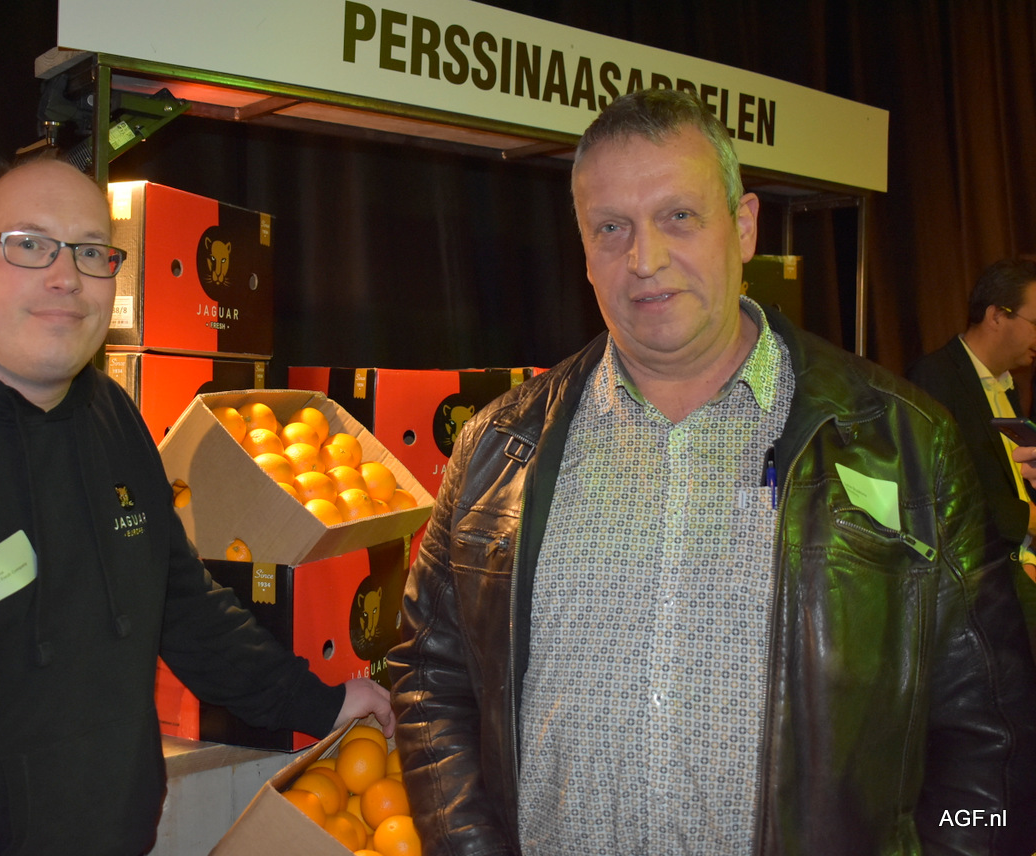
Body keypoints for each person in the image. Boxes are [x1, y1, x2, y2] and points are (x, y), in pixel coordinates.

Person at [387, 89, 1036, 855]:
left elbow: (991, 735)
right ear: (584, 250)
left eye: (679, 216)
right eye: (611, 228)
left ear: (745, 226)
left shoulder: (903, 443)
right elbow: (430, 678)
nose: (645, 259)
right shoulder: (500, 448)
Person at [0, 154, 392, 855]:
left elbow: (181, 603)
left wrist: (322, 702)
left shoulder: (111, 417)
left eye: (92, 252)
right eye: (29, 244)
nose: (66, 276)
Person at [906, 257, 1036, 656]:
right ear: (997, 315)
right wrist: (1028, 520)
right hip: (979, 586)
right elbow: (937, 491)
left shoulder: (1008, 386)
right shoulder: (934, 377)